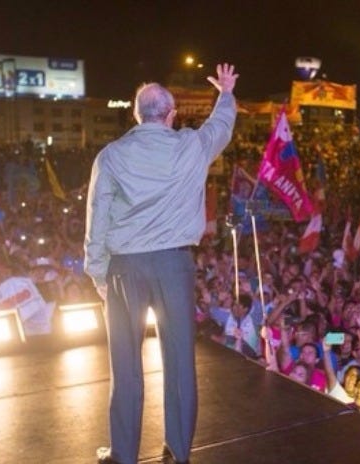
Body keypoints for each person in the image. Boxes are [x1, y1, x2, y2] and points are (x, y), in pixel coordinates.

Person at [85, 63, 238, 464]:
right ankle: (178, 451)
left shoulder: (111, 156)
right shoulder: (191, 147)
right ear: (171, 115)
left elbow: (97, 218)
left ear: (136, 114)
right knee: (180, 361)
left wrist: (98, 272)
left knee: (125, 364)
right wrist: (225, 93)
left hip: (125, 268)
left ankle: (122, 455)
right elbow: (221, 127)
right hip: (174, 265)